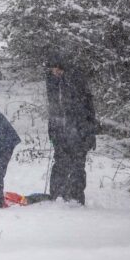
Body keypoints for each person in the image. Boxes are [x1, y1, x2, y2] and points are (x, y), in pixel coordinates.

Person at [45, 56, 97, 204]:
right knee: (60, 163)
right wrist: (52, 129)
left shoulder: (75, 81)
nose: (53, 71)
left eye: (55, 68)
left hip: (79, 131)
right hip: (60, 131)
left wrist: (88, 132)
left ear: (61, 68)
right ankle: (57, 196)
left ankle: (75, 198)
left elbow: (86, 109)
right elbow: (53, 109)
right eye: (51, 69)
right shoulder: (52, 82)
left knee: (77, 165)